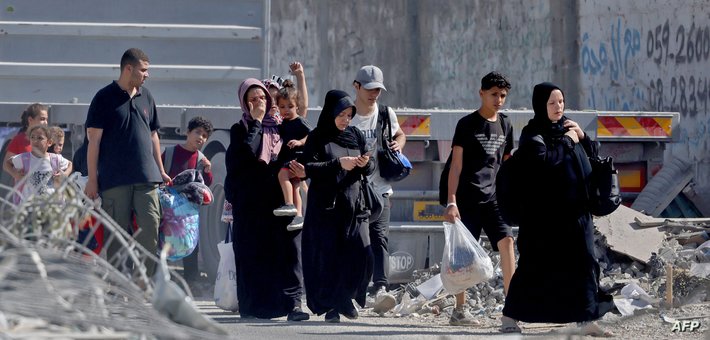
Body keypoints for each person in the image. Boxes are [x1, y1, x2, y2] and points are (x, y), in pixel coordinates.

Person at [501, 83, 614, 336]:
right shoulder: (532, 135)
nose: (558, 107)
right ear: (541, 105)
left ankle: (587, 319)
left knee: (585, 263)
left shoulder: (568, 128)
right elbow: (545, 162)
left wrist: (582, 137)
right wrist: (567, 141)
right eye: (552, 103)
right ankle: (509, 317)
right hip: (544, 219)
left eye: (561, 102)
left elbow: (592, 155)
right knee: (535, 267)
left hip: (576, 214)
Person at [223, 78, 308, 321]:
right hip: (251, 202)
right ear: (244, 103)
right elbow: (247, 153)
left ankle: (294, 305)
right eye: (253, 99)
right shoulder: (240, 129)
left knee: (289, 252)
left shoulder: (282, 125)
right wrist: (257, 122)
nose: (260, 102)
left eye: (262, 98)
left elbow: (302, 140)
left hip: (280, 199)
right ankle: (255, 306)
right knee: (254, 254)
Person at [84, 48, 171, 276]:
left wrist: (161, 170)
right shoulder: (104, 98)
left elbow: (153, 135)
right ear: (128, 69)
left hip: (147, 178)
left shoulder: (147, 96)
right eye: (143, 70)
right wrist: (93, 180)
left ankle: (144, 283)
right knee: (116, 235)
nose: (147, 75)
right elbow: (94, 141)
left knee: (150, 229)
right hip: (115, 180)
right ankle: (118, 285)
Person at [443, 71, 517, 326]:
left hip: (494, 197)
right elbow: (455, 166)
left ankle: (512, 309)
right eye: (494, 94)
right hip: (467, 197)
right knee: (463, 256)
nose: (498, 100)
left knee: (507, 241)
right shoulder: (467, 125)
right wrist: (452, 201)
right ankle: (460, 310)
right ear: (482, 93)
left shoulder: (506, 125)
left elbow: (506, 164)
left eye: (503, 95)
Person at [298, 89, 374, 323]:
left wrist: (363, 164)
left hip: (354, 205)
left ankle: (346, 297)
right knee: (330, 258)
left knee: (363, 255)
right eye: (341, 114)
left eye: (349, 115)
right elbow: (307, 168)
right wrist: (338, 163)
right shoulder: (318, 136)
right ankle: (333, 305)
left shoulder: (355, 135)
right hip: (327, 207)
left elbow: (369, 169)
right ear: (330, 112)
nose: (345, 120)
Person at [349, 65, 405, 313]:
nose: (374, 94)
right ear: (357, 87)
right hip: (353, 188)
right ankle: (354, 288)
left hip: (380, 187)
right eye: (370, 89)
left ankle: (381, 288)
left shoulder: (385, 112)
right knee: (355, 240)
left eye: (378, 90)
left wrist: (397, 144)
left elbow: (401, 134)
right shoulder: (347, 115)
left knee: (380, 237)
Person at [161, 116, 214, 286]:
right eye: (197, 132)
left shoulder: (201, 159)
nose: (201, 137)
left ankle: (191, 281)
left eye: (205, 135)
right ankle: (159, 278)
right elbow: (159, 173)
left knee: (189, 241)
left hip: (188, 209)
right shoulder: (170, 152)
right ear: (187, 132)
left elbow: (206, 185)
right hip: (168, 207)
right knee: (163, 239)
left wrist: (207, 170)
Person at [272, 80, 311, 231]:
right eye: (282, 107)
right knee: (295, 186)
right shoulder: (283, 125)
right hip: (290, 158)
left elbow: (312, 135)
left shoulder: (300, 121)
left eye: (290, 106)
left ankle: (289, 204)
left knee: (283, 175)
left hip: (297, 158)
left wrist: (300, 142)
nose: (286, 110)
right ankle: (299, 216)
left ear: (297, 107)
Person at [5, 125, 71, 201]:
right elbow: (7, 163)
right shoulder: (24, 158)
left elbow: (70, 164)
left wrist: (65, 174)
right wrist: (15, 174)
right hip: (29, 207)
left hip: (52, 207)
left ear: (49, 142)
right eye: (32, 137)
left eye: (40, 138)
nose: (35, 140)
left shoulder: (55, 159)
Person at [3, 103, 49, 180]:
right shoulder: (18, 139)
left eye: (46, 119)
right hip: (23, 189)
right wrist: (16, 174)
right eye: (42, 119)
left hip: (44, 188)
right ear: (30, 120)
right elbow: (6, 165)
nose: (46, 122)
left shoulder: (48, 139)